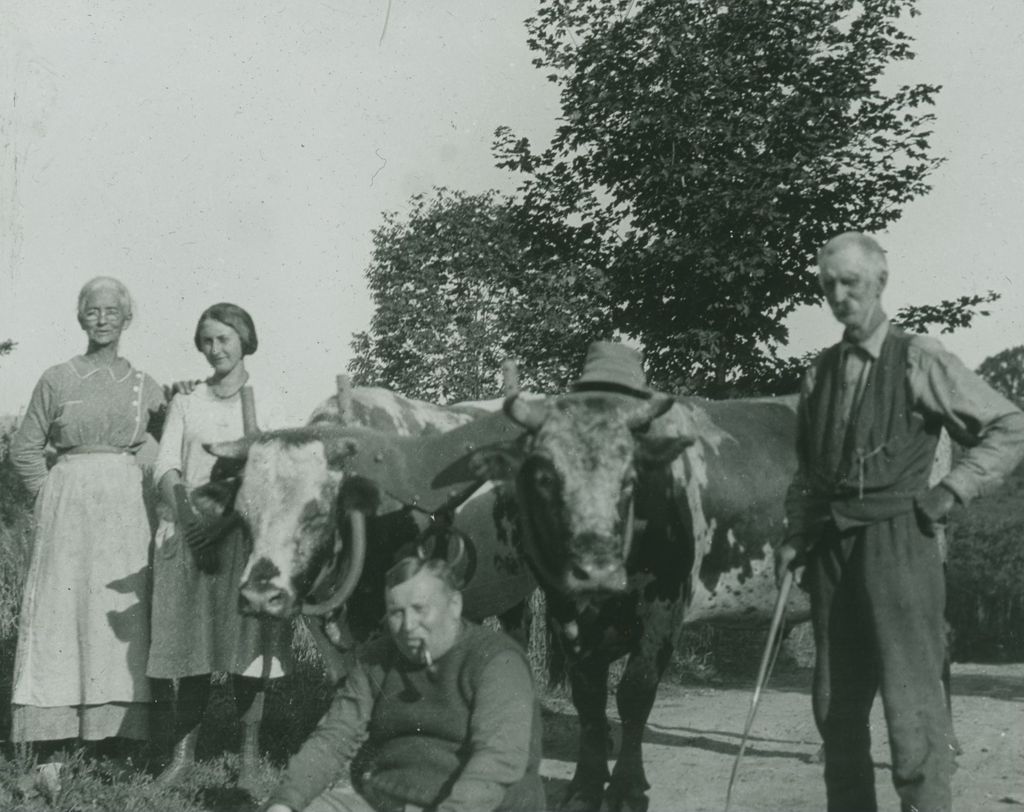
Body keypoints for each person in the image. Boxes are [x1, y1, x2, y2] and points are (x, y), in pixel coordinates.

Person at [776, 232, 1024, 812]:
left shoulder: (918, 358)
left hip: (900, 545)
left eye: (851, 283)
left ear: (880, 283)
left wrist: (952, 490)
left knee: (911, 705)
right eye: (828, 285)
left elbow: (1009, 425)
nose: (839, 296)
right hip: (833, 550)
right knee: (835, 704)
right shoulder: (820, 373)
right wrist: (794, 534)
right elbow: (809, 473)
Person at [9, 277, 166, 754]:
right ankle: (51, 742)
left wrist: (136, 473)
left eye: (111, 312)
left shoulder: (146, 386)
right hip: (68, 510)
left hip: (124, 514)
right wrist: (49, 495)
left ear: (127, 318)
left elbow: (164, 443)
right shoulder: (57, 378)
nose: (101, 320)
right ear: (81, 318)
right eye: (92, 311)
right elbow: (24, 449)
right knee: (62, 611)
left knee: (117, 619)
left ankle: (114, 742)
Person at [263, 556, 544, 812]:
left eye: (420, 609)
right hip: (390, 798)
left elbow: (498, 761)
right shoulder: (376, 659)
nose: (408, 626)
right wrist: (285, 801)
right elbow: (334, 737)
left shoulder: (497, 661)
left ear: (455, 605)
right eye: (397, 613)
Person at [147, 302, 292, 787]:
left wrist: (228, 524)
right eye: (207, 340)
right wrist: (190, 522)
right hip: (193, 541)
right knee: (191, 651)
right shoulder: (189, 402)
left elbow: (276, 472)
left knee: (248, 652)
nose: (215, 349)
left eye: (224, 338)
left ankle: (248, 758)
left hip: (244, 541)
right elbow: (165, 468)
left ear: (245, 339)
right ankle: (182, 757)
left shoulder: (266, 399)